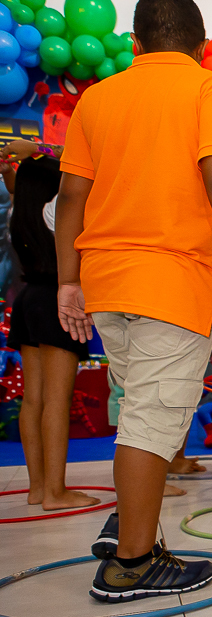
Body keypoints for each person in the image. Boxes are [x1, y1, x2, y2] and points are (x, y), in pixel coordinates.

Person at [55, 0, 212, 602]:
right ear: (201, 46)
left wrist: (68, 280)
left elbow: (71, 195)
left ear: (135, 43)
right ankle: (131, 563)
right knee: (152, 423)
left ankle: (131, 525)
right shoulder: (209, 89)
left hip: (106, 281)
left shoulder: (97, 97)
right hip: (173, 280)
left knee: (140, 412)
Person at [0, 139, 97, 511]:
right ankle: (55, 491)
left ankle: (38, 488)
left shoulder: (20, 208)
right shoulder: (58, 206)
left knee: (34, 399)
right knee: (56, 399)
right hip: (58, 299)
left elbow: (22, 183)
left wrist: (21, 164)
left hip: (28, 299)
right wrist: (38, 147)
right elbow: (83, 160)